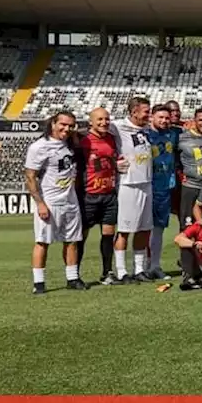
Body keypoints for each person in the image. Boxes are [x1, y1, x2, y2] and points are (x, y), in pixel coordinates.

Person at [26, 112, 87, 294]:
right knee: (42, 241)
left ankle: (72, 278)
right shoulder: (39, 147)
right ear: (53, 123)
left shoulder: (70, 143)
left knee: (72, 241)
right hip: (50, 202)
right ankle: (39, 283)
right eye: (63, 124)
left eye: (71, 126)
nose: (66, 129)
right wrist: (40, 203)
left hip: (70, 200)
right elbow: (30, 177)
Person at [111, 97, 154, 283]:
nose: (148, 114)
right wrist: (113, 163)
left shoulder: (146, 129)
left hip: (146, 183)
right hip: (128, 184)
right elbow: (96, 133)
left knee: (144, 229)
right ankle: (121, 271)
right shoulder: (117, 126)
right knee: (124, 230)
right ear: (134, 111)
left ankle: (139, 269)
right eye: (145, 111)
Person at [77, 107, 120, 284]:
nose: (104, 123)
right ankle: (74, 274)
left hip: (109, 194)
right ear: (91, 122)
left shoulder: (111, 138)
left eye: (106, 119)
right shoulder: (83, 140)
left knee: (109, 234)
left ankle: (107, 273)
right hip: (89, 195)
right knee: (81, 237)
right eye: (100, 120)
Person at [144, 104, 178, 280]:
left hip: (164, 188)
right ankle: (141, 267)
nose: (164, 121)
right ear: (152, 117)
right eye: (160, 117)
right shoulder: (144, 134)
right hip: (144, 187)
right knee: (141, 229)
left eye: (167, 117)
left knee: (158, 229)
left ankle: (155, 266)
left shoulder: (173, 134)